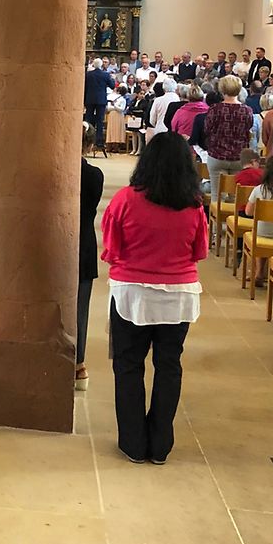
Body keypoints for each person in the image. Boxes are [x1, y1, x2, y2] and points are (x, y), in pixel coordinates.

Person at [101, 132, 208, 464]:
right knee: (169, 365)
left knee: (128, 365)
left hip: (132, 292)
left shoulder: (126, 199)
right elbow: (199, 252)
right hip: (179, 295)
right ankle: (161, 445)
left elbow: (111, 249)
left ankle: (133, 443)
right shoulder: (194, 205)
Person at [75, 123, 104, 388]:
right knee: (80, 308)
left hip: (57, 242)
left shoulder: (57, 171)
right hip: (83, 243)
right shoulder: (94, 175)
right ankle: (78, 363)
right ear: (90, 146)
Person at [203, 76, 253, 210]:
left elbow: (207, 129)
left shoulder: (215, 109)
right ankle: (232, 220)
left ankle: (217, 222)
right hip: (239, 157)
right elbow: (248, 129)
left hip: (217, 155)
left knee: (217, 195)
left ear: (222, 89)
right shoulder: (247, 110)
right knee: (235, 196)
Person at [244, 156, 273, 286]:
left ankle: (259, 271)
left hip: (262, 233)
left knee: (259, 231)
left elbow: (248, 212)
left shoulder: (259, 189)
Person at [84, 58, 116, 145]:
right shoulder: (105, 75)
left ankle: (87, 139)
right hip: (101, 100)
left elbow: (85, 87)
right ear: (101, 65)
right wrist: (113, 79)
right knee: (99, 121)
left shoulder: (88, 74)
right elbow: (112, 86)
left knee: (88, 120)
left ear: (93, 65)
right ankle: (99, 142)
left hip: (90, 99)